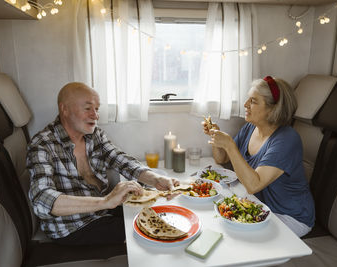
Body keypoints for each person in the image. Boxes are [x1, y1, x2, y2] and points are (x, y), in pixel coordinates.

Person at [27, 82, 179, 246]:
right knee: (152, 235)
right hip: (72, 227)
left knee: (162, 214)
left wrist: (155, 179)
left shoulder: (94, 135)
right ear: (64, 109)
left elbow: (121, 160)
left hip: (103, 211)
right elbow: (41, 199)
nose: (95, 115)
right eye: (88, 108)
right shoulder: (42, 145)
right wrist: (106, 201)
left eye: (97, 109)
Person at [202, 76, 315, 237]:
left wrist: (229, 144)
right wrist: (216, 138)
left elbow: (254, 185)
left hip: (289, 216)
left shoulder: (287, 139)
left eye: (253, 101)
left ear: (273, 109)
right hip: (260, 206)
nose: (245, 104)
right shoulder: (250, 127)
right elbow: (223, 159)